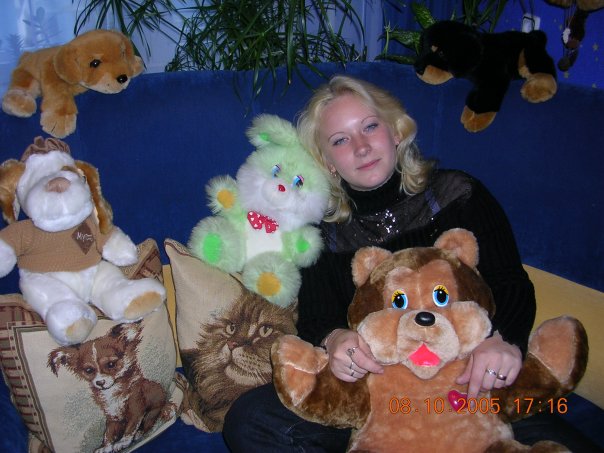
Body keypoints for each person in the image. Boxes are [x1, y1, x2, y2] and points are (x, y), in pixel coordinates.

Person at [222, 75, 598, 452]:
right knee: (250, 420)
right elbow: (317, 318)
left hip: (472, 383)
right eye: (340, 140)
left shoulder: (459, 195)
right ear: (328, 163)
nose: (361, 147)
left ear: (396, 132)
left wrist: (503, 341)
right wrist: (335, 339)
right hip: (378, 391)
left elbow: (511, 282)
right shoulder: (323, 233)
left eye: (370, 126)